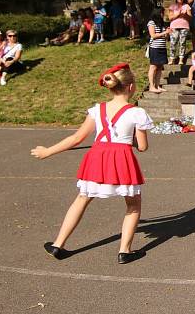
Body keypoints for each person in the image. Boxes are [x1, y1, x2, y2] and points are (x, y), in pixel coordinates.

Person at [31, 63, 152, 264]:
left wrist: (48, 151)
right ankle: (124, 251)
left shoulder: (98, 109)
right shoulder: (136, 113)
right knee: (133, 205)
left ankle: (58, 244)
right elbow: (143, 147)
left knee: (82, 198)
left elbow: (77, 138)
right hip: (121, 158)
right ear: (131, 87)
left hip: (97, 156)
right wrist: (127, 139)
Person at [147, 10, 170, 93]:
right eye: (161, 12)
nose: (162, 14)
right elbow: (153, 35)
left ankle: (157, 85)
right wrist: (164, 32)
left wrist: (167, 34)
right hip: (154, 48)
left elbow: (165, 37)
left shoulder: (161, 23)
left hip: (162, 47)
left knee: (160, 67)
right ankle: (151, 86)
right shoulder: (151, 23)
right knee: (153, 67)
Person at [167, 0, 192, 65]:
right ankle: (172, 59)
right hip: (174, 26)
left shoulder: (186, 6)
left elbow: (190, 18)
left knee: (182, 43)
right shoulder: (172, 6)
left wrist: (186, 14)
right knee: (173, 43)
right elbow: (170, 18)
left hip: (184, 26)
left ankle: (181, 59)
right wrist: (178, 14)